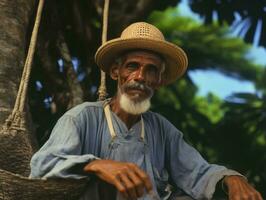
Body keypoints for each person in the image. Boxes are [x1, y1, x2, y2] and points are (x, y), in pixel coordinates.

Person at [30, 22, 263, 200]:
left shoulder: (161, 129)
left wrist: (230, 177)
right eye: (133, 66)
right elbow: (42, 165)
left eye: (151, 70)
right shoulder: (82, 117)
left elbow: (198, 172)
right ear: (115, 72)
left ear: (159, 81)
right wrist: (96, 165)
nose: (141, 77)